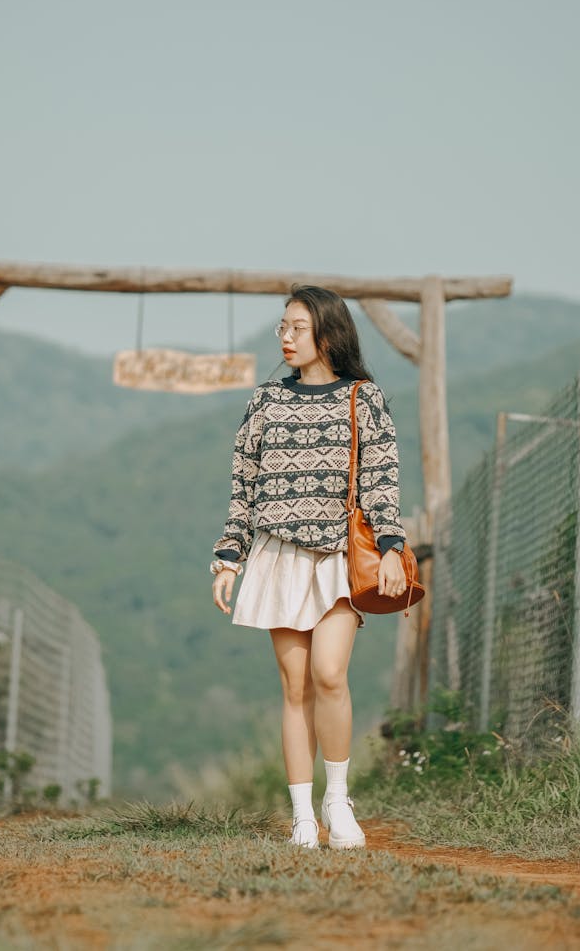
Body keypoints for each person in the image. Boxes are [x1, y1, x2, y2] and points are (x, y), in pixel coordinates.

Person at [210, 285, 407, 850]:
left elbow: (381, 479)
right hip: (278, 556)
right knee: (294, 686)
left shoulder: (363, 398)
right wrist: (229, 558)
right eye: (282, 327)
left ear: (328, 332)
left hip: (340, 559)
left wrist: (392, 547)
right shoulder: (266, 401)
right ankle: (302, 816)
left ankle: (337, 800)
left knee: (329, 674)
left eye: (297, 327)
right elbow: (243, 487)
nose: (286, 337)